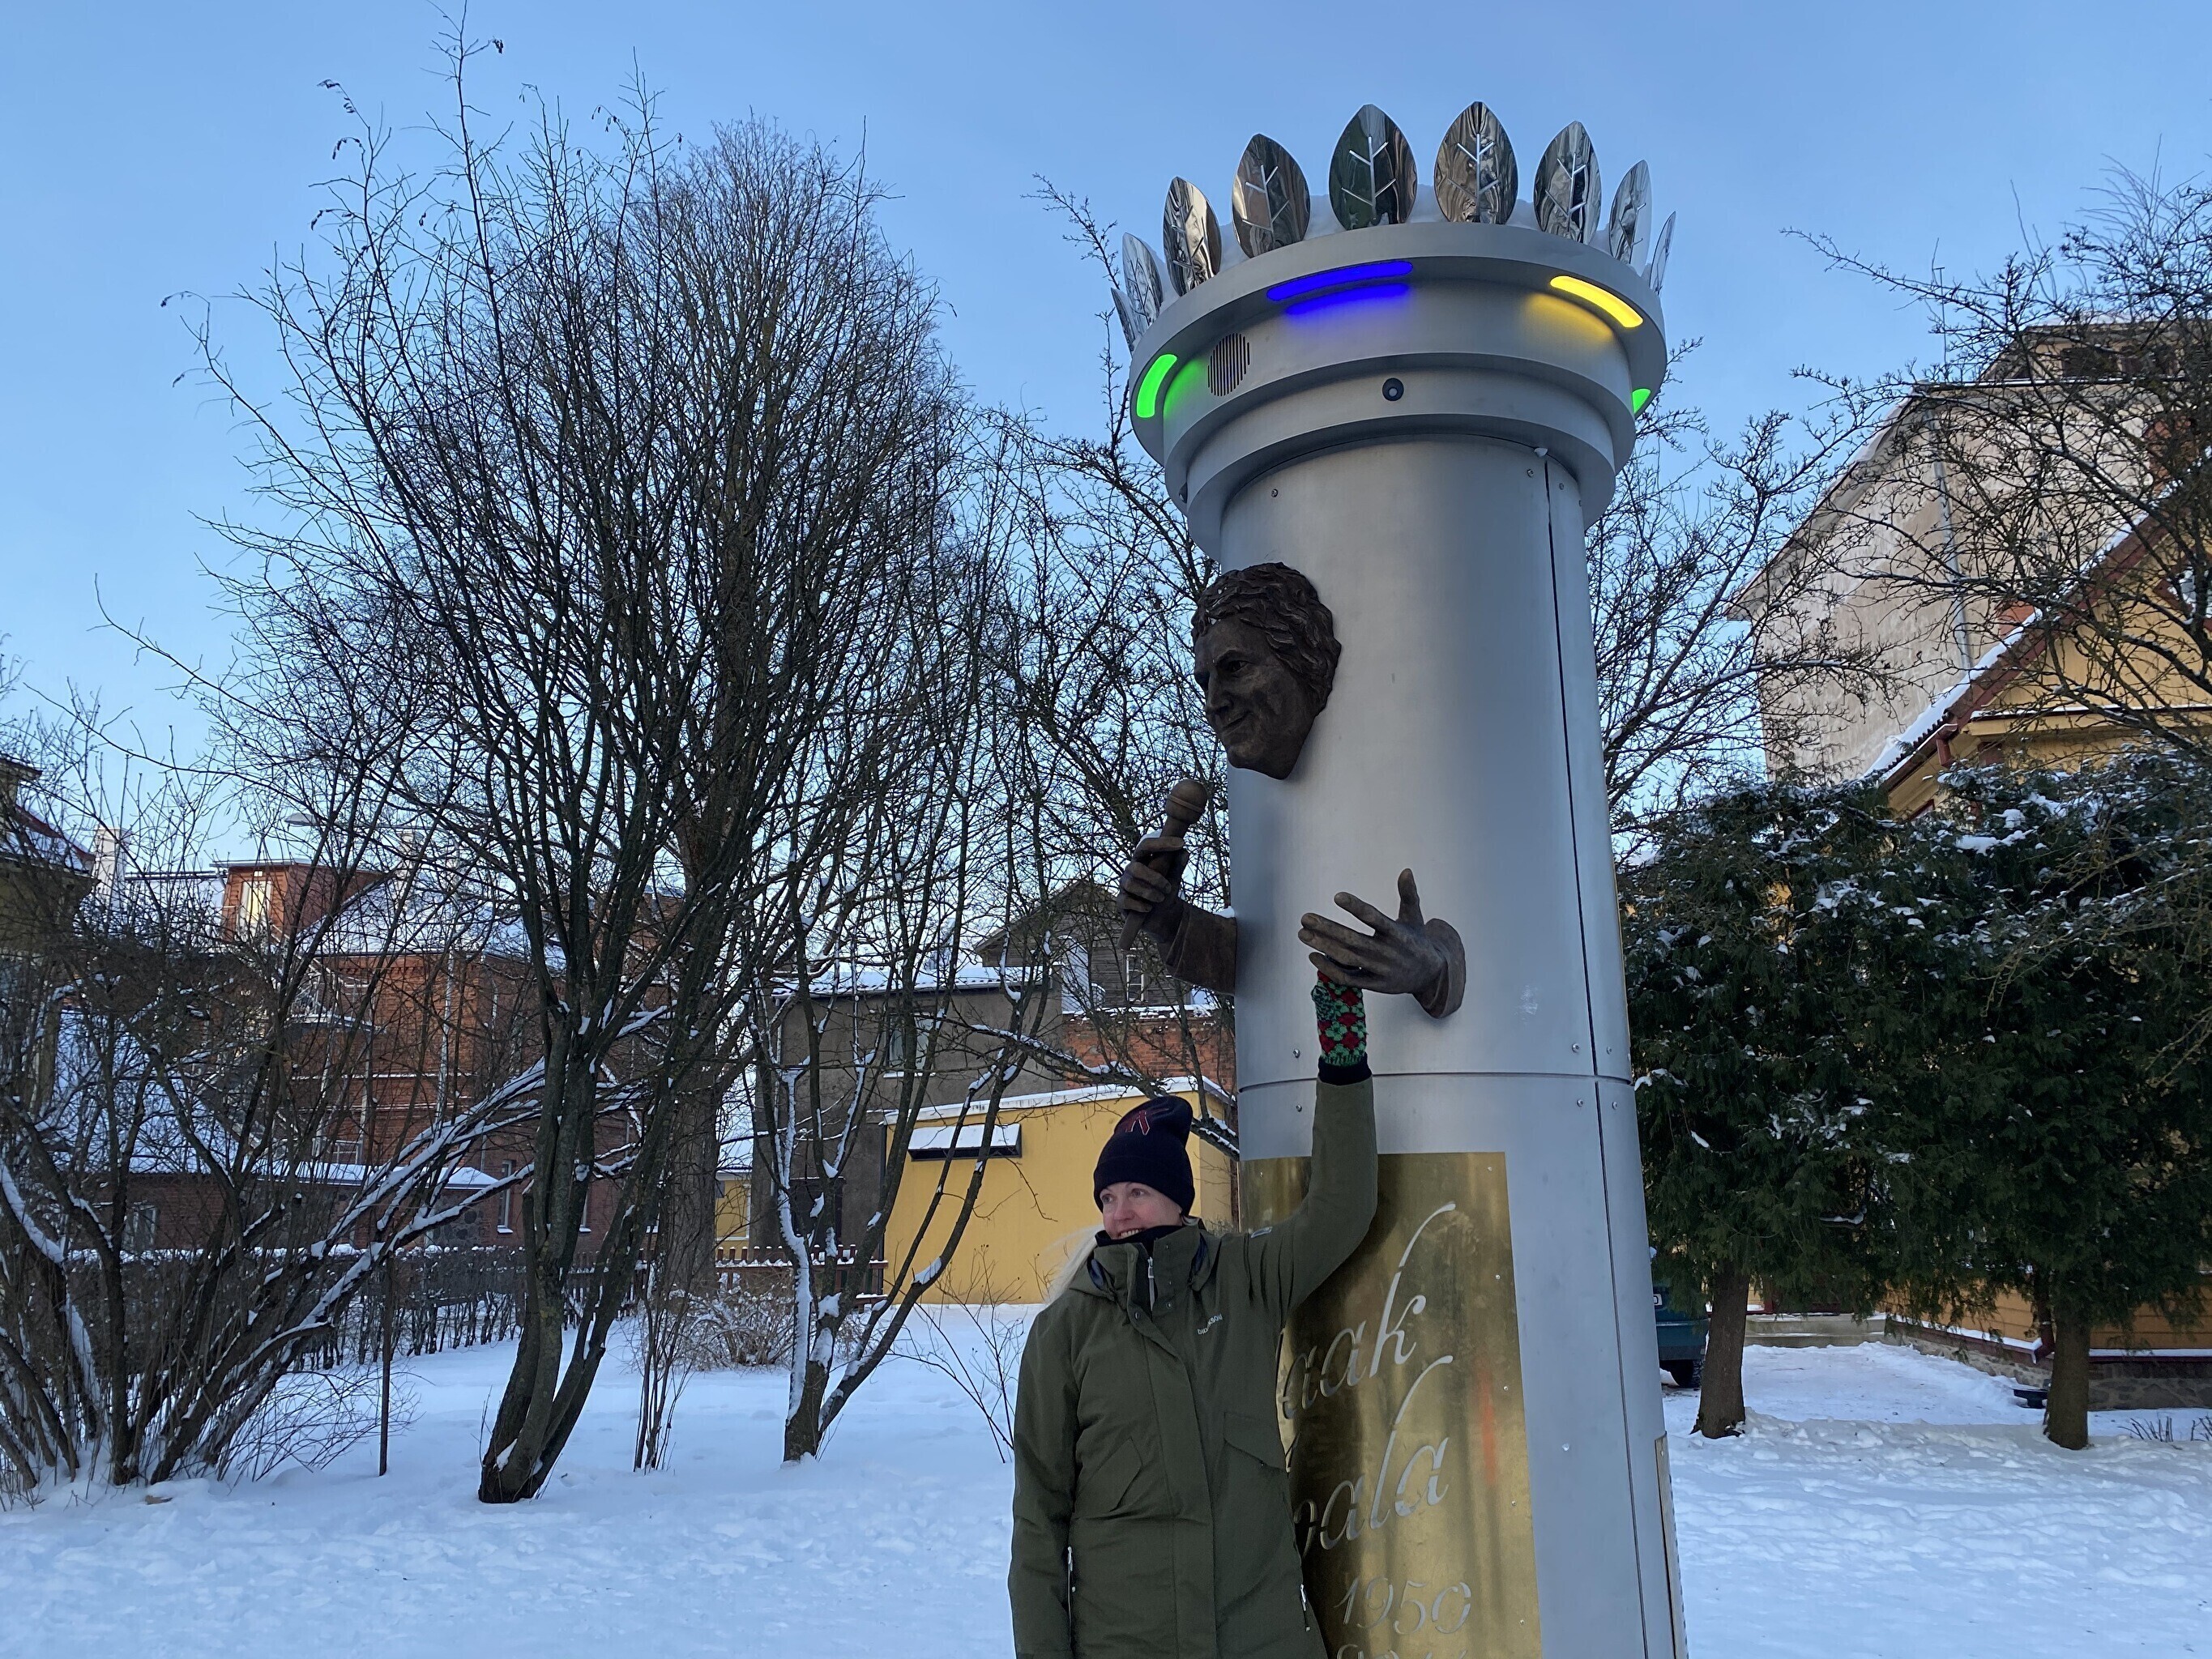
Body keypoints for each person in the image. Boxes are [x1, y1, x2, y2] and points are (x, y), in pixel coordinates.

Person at [1007, 970, 1379, 1659]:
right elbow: (1038, 1519)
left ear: (1178, 1199)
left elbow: (1341, 1210)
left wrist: (1343, 1050)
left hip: (1261, 1638)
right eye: (1107, 1197)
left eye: (1137, 1192)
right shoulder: (1065, 1331)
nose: (1118, 1213)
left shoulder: (1245, 1280)